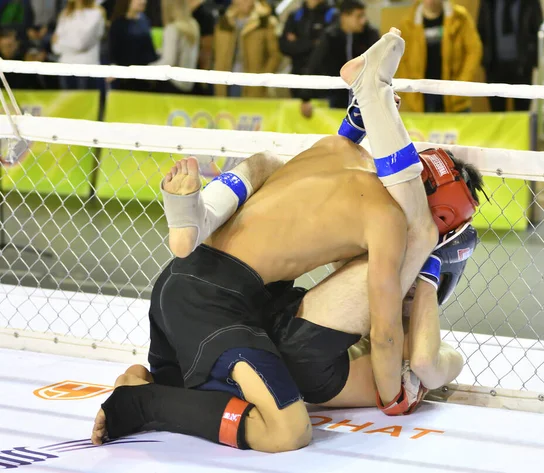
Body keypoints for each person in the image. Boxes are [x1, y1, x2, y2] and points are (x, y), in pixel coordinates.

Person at [92, 29, 483, 452]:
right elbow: (386, 333)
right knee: (288, 431)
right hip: (217, 304)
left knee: (264, 165)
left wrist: (368, 114)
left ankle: (150, 374)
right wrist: (394, 398)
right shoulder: (390, 221)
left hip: (199, 284)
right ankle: (141, 405)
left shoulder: (338, 148)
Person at [396, 0, 482, 113]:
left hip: (454, 94)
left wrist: (462, 85)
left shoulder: (460, 18)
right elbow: (401, 60)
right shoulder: (408, 23)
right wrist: (410, 93)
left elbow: (473, 51)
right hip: (423, 95)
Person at [298, 0, 378, 118]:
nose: (363, 20)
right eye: (359, 16)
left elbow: (380, 66)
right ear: (344, 17)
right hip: (334, 98)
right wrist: (305, 98)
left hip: (365, 98)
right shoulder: (330, 36)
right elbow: (314, 65)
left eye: (364, 16)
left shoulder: (371, 35)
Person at [478, 0, 543, 112]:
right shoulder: (488, 3)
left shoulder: (529, 2)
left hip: (521, 67)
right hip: (495, 66)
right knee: (497, 114)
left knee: (522, 114)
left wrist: (530, 59)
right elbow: (481, 30)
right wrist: (485, 59)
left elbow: (538, 30)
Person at [213, 0, 280, 98]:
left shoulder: (265, 22)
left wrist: (263, 81)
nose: (245, 2)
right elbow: (215, 52)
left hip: (253, 84)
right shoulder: (223, 22)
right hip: (225, 83)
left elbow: (275, 56)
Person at [279, 0, 337, 99]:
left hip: (323, 82)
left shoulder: (333, 15)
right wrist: (313, 43)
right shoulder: (295, 15)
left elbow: (327, 48)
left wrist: (298, 42)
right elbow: (284, 47)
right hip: (297, 79)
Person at [51, 0, 105, 90]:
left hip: (85, 69)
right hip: (64, 67)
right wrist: (66, 42)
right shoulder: (65, 13)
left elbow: (81, 45)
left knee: (84, 103)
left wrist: (61, 42)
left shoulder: (95, 14)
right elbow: (55, 47)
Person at [150, 0, 200, 94]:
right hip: (189, 84)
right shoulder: (194, 25)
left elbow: (169, 61)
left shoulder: (172, 28)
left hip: (175, 84)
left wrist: (147, 70)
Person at [108, 0, 157, 92]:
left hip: (143, 77)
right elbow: (112, 51)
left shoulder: (145, 21)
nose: (143, 2)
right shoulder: (118, 24)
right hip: (124, 78)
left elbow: (150, 50)